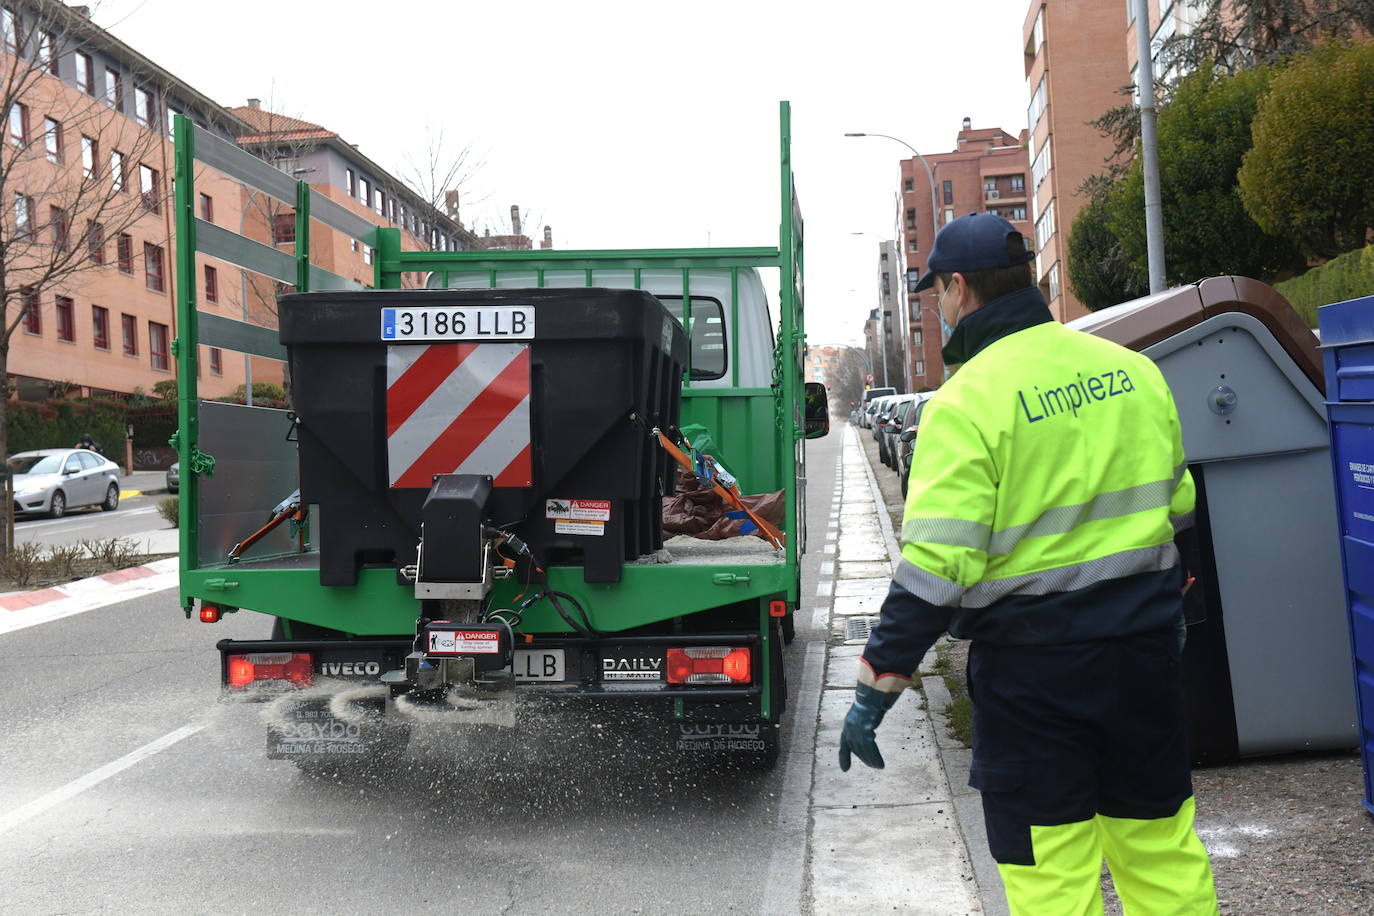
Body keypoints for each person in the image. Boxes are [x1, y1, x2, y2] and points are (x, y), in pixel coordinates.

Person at [838, 213, 1217, 914]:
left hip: (1036, 680)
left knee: (1050, 871)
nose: (943, 308)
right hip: (1143, 662)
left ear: (959, 289)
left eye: (940, 296)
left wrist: (877, 684)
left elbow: (935, 570)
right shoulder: (1134, 374)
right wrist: (1177, 618)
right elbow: (1181, 511)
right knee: (1162, 852)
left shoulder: (966, 405)